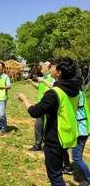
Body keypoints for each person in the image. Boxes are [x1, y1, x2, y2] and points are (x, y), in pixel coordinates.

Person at [18, 57, 82, 186]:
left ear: (58, 72)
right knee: (57, 173)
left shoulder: (54, 93)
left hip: (54, 139)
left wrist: (24, 99)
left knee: (56, 177)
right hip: (67, 135)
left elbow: (35, 112)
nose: (51, 68)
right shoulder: (74, 91)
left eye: (54, 66)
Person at [27, 60, 56, 151]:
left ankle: (48, 144)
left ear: (50, 68)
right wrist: (31, 82)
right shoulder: (43, 77)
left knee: (48, 126)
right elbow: (39, 87)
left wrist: (43, 81)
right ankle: (38, 144)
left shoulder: (52, 78)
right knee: (38, 125)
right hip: (41, 106)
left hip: (49, 107)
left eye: (44, 65)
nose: (42, 67)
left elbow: (54, 87)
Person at [71, 89, 90, 186]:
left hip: (81, 130)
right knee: (77, 156)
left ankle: (88, 179)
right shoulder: (78, 92)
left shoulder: (76, 93)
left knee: (76, 157)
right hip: (83, 128)